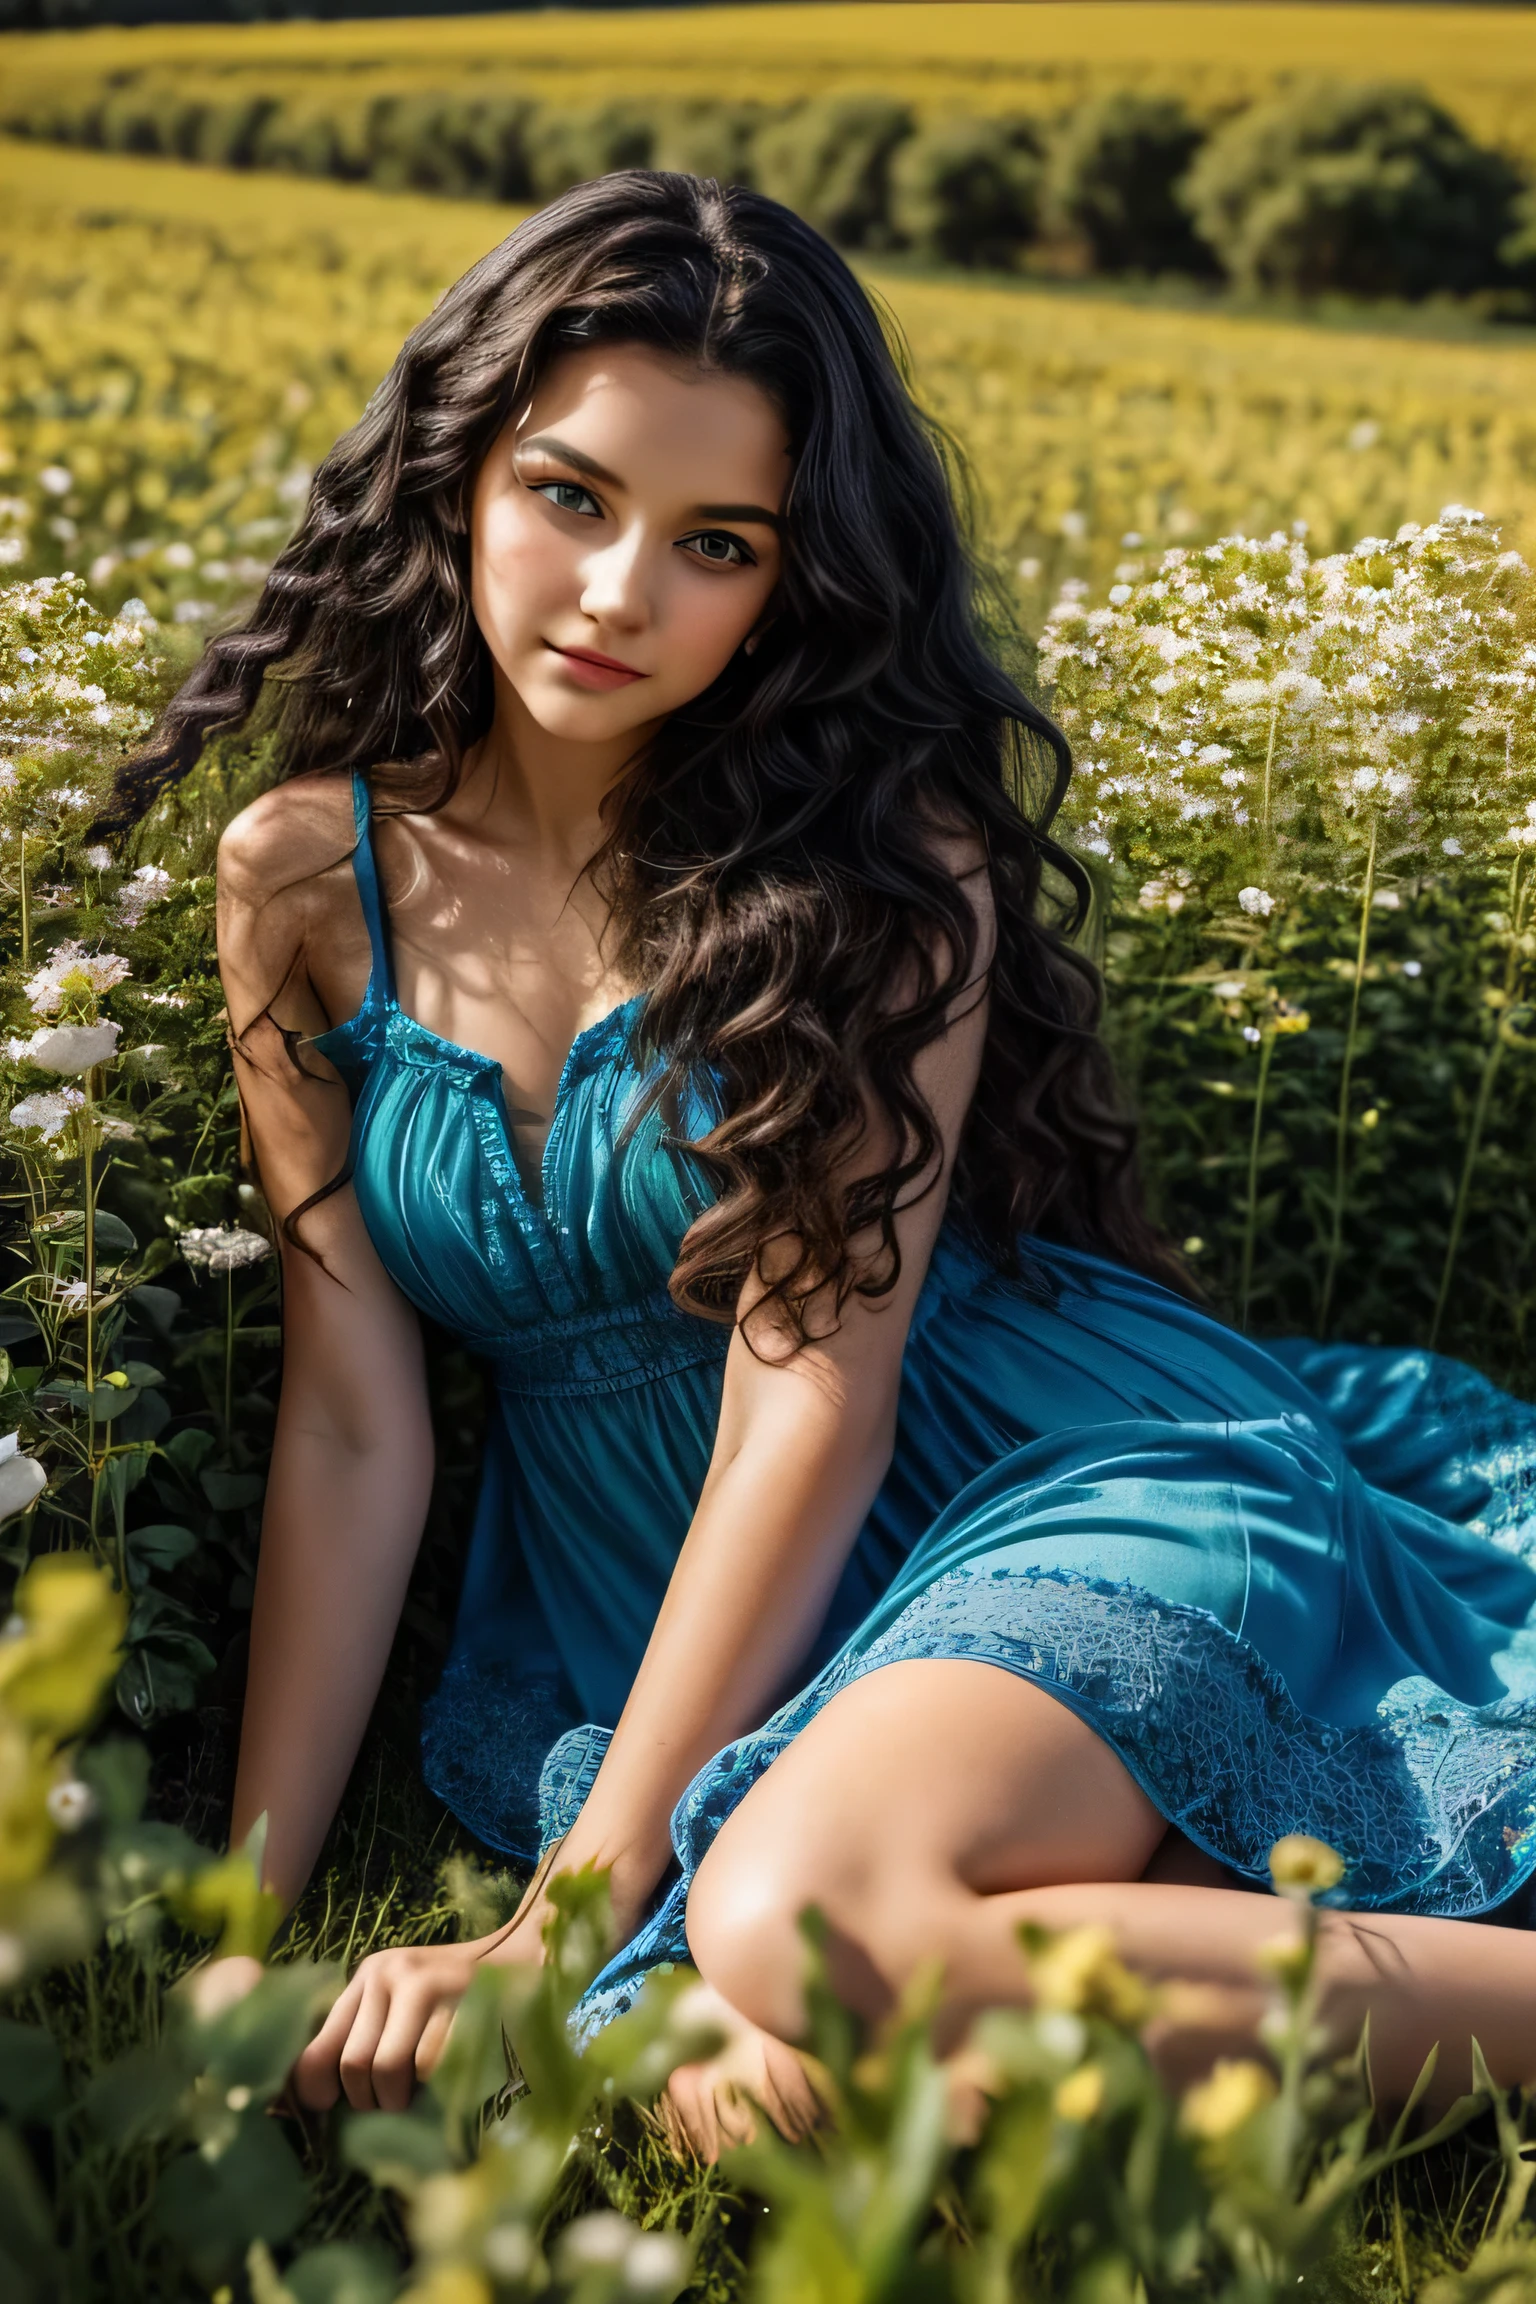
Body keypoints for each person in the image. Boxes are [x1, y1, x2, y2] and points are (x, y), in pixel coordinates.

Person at [112, 171, 1536, 2162]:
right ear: (458, 471)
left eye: (717, 545)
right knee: (723, 2093)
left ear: (795, 582)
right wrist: (236, 1916)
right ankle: (1151, 1952)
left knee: (800, 1924)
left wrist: (552, 1928)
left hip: (1023, 1481)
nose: (617, 596)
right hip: (650, 1596)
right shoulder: (301, 882)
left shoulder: (864, 867)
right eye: (569, 495)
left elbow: (810, 1409)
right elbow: (357, 1434)